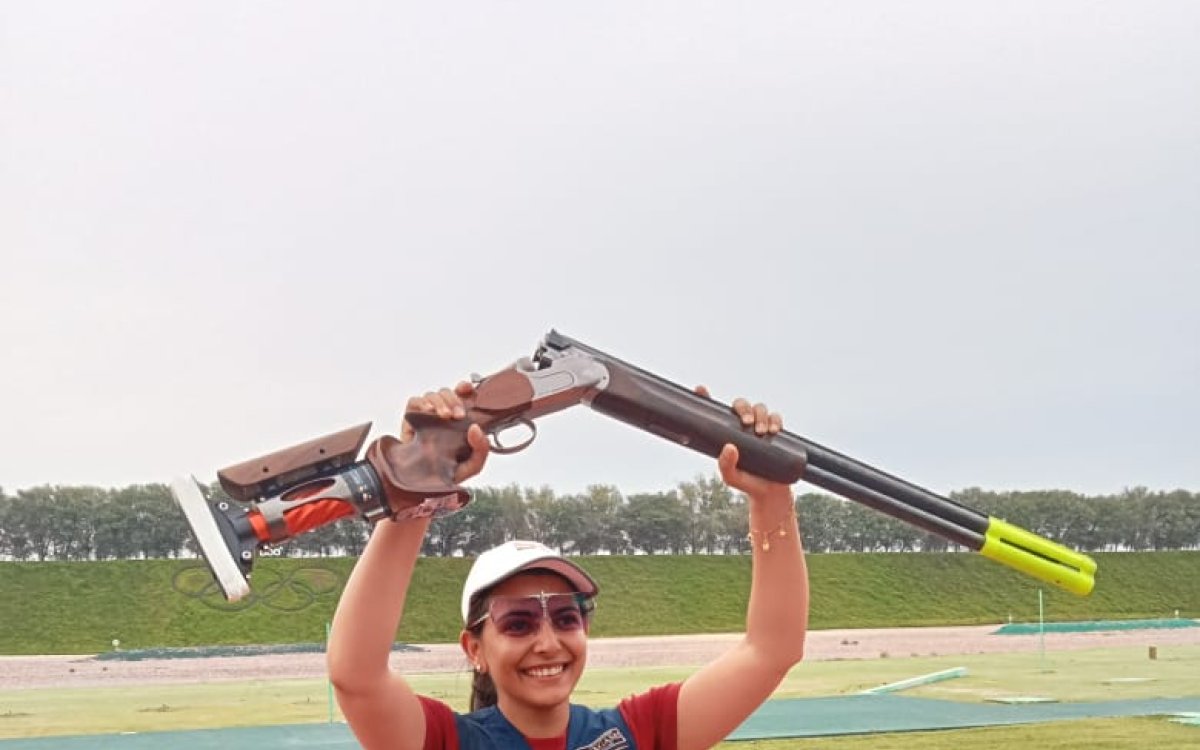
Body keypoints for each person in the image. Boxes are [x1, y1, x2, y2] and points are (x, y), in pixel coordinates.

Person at [327, 380, 809, 750]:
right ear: (474, 648)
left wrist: (771, 497)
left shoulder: (635, 733)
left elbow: (771, 650)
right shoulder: (450, 742)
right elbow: (356, 675)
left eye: (565, 616)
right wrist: (417, 484)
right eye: (517, 622)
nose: (548, 641)